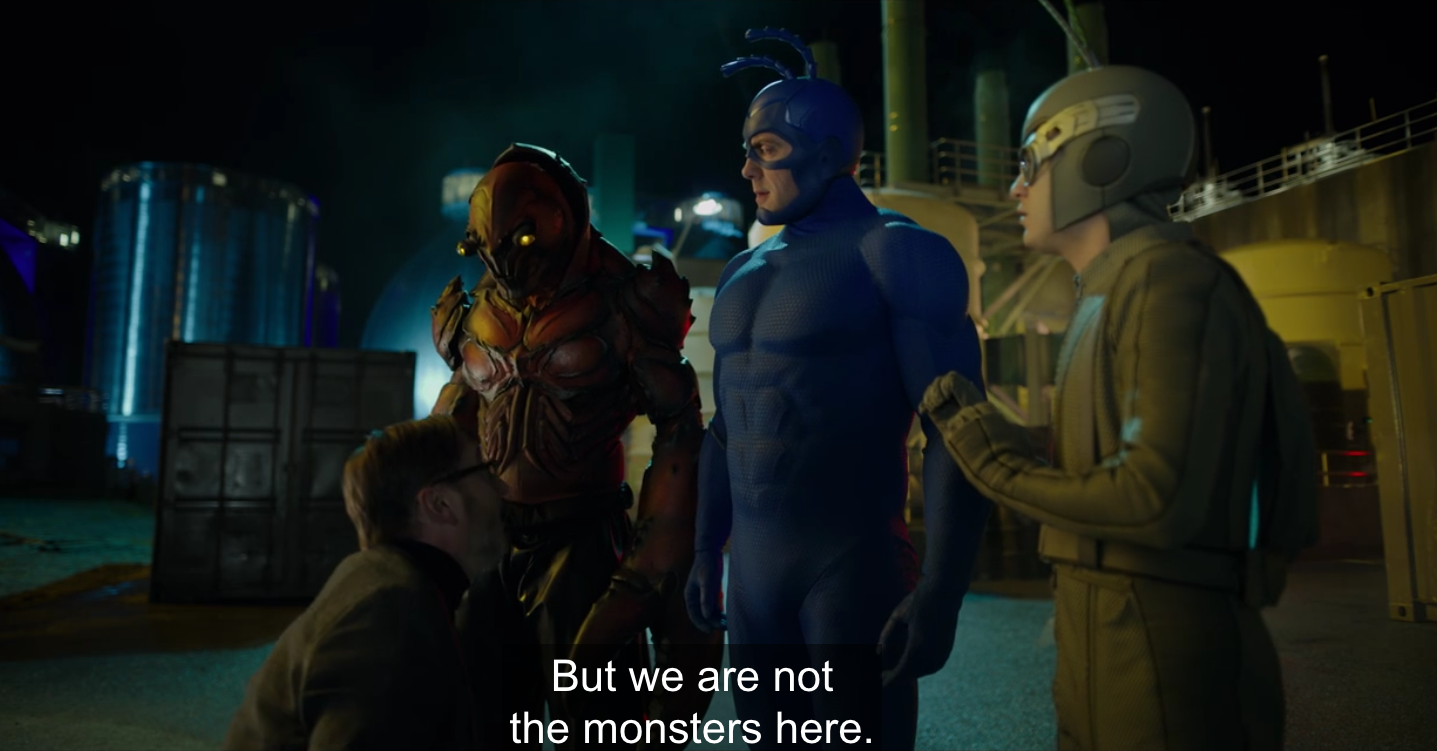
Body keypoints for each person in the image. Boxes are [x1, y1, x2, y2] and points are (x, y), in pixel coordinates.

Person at [919, 62, 1319, 750]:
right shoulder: (1114, 289)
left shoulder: (1168, 281)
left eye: (1031, 164)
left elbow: (1154, 498)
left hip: (1159, 645)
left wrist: (999, 467)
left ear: (1102, 156)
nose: (1015, 188)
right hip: (1106, 633)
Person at [684, 28, 992, 751]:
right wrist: (704, 548)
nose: (746, 169)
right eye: (747, 149)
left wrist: (942, 591)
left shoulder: (898, 252)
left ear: (826, 154)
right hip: (752, 577)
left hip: (850, 569)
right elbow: (726, 428)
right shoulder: (741, 272)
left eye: (766, 149)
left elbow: (958, 433)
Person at [432, 143, 721, 750]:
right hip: (490, 540)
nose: (507, 268)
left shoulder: (625, 301)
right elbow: (453, 417)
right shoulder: (480, 308)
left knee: (594, 717)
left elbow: (679, 428)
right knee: (478, 712)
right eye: (488, 249)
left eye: (520, 243)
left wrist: (657, 562)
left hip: (584, 538)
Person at [222, 415, 507, 751]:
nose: (502, 488)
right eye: (486, 471)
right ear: (440, 504)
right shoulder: (389, 612)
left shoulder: (393, 583)